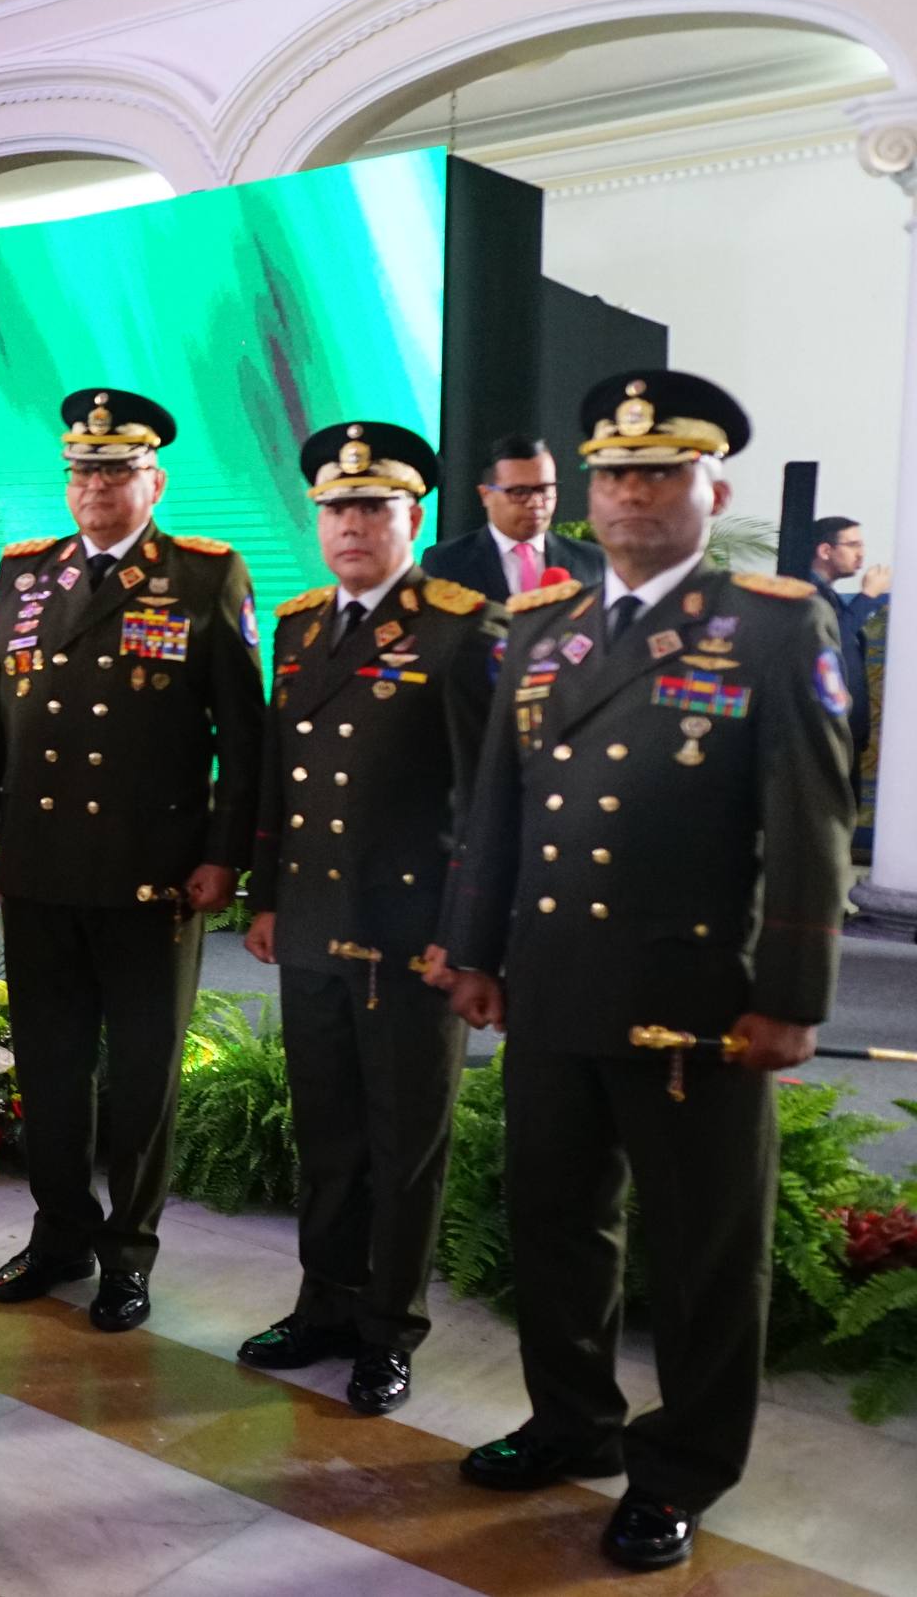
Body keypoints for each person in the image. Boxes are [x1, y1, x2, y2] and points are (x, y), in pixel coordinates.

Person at [440, 370, 852, 1573]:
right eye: (614, 473)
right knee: (555, 1225)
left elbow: (810, 828)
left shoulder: (772, 622)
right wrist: (473, 955)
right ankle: (572, 1423)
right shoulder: (542, 626)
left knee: (700, 1251)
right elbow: (497, 811)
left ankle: (681, 1468)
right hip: (554, 987)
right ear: (588, 494)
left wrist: (788, 1000)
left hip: (697, 1007)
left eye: (659, 472)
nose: (632, 494)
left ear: (708, 487)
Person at [0, 389, 264, 1332]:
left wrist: (225, 858)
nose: (94, 486)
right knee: (50, 1073)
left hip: (153, 881)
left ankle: (127, 1255)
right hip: (42, 874)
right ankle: (58, 1237)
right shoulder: (24, 574)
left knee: (140, 1083)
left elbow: (244, 741)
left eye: (115, 470)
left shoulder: (206, 578)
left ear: (154, 480)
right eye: (81, 470)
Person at [239, 422, 503, 1417]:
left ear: (412, 517)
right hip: (310, 924)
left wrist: (465, 937)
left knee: (404, 1144)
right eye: (334, 509)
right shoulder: (301, 626)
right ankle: (323, 1305)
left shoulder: (461, 626)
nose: (349, 525)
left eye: (370, 507)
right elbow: (276, 778)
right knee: (329, 1135)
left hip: (411, 940)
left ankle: (388, 1330)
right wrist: (265, 896)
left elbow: (486, 798)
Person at [422, 434, 605, 599]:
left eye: (544, 489)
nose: (535, 502)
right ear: (486, 495)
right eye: (519, 492)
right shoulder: (445, 563)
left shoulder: (591, 560)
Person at [809, 514, 873, 761]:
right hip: (825, 733)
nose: (862, 554)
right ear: (825, 551)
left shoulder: (829, 594)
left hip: (846, 731)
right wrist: (867, 598)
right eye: (853, 545)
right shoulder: (807, 594)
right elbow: (833, 641)